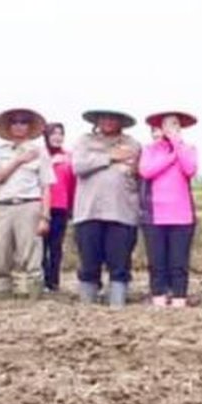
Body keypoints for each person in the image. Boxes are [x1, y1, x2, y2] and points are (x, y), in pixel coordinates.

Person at [73, 109, 142, 307]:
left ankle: (117, 304)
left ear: (121, 122)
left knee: (119, 263)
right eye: (104, 118)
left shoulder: (132, 144)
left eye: (113, 118)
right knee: (89, 262)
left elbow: (138, 171)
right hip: (89, 211)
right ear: (96, 121)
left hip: (122, 212)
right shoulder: (84, 141)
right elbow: (78, 166)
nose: (109, 121)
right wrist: (110, 157)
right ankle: (87, 304)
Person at [0, 108, 55, 300]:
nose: (19, 126)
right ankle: (2, 294)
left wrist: (45, 216)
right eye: (14, 122)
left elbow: (46, 187)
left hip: (29, 205)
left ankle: (34, 295)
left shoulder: (40, 152)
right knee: (0, 248)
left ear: (29, 127)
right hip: (3, 206)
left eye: (23, 122)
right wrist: (18, 161)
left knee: (31, 252)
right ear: (8, 127)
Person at [140, 110, 199, 308]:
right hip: (155, 215)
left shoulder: (189, 148)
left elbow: (190, 169)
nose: (171, 128)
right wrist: (170, 157)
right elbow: (146, 171)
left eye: (175, 124)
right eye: (167, 124)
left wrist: (177, 147)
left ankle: (179, 299)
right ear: (160, 127)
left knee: (179, 262)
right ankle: (158, 298)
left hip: (182, 215)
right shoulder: (150, 149)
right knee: (157, 262)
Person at [42, 122, 76, 292]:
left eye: (60, 133)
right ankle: (40, 280)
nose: (57, 136)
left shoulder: (69, 157)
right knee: (40, 245)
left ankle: (53, 282)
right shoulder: (39, 155)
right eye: (53, 133)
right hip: (40, 207)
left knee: (55, 246)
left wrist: (71, 207)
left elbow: (73, 184)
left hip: (60, 206)